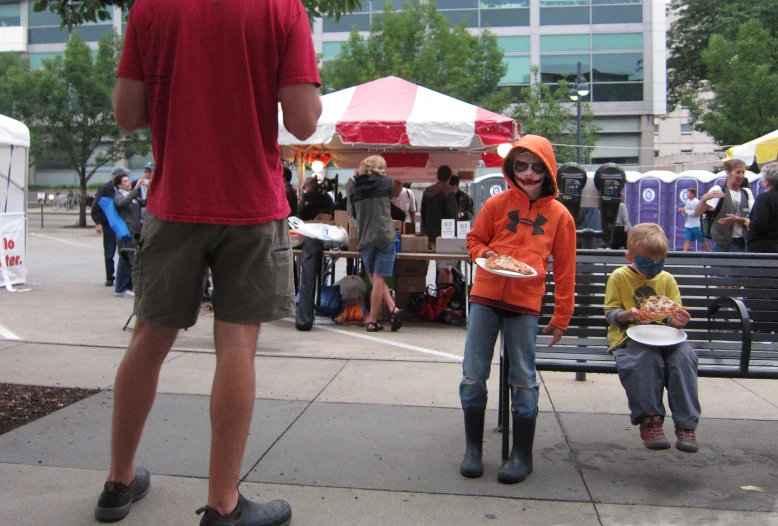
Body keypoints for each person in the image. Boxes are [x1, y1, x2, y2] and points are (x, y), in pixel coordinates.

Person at [96, 0, 321, 524]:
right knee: (237, 344)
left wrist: (186, 105)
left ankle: (118, 482)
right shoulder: (282, 9)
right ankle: (223, 505)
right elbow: (305, 122)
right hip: (250, 203)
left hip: (175, 201)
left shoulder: (150, 8)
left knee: (148, 338)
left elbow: (127, 114)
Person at [459, 135, 576, 484]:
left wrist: (561, 316)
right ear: (511, 167)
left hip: (526, 303)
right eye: (521, 165)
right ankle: (473, 449)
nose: (527, 173)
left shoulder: (560, 216)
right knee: (472, 373)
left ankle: (521, 455)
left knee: (524, 378)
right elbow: (474, 240)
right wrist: (486, 256)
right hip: (485, 297)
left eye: (536, 167)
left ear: (548, 170)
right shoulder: (496, 204)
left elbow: (567, 269)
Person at [604, 223, 701, 453]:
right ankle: (650, 419)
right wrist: (627, 315)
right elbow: (611, 313)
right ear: (630, 257)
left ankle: (686, 425)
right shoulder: (619, 277)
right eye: (647, 264)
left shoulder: (666, 280)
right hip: (629, 336)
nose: (653, 271)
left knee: (684, 357)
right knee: (644, 359)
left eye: (659, 264)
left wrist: (676, 321)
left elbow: (671, 315)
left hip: (666, 338)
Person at [348, 155, 405, 332]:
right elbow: (389, 201)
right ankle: (373, 321)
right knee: (378, 278)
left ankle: (391, 308)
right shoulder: (387, 182)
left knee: (374, 277)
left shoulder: (353, 186)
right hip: (385, 235)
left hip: (365, 236)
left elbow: (353, 213)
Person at [694, 159, 753, 252]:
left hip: (743, 243)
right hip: (721, 245)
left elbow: (753, 219)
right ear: (728, 172)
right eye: (738, 172)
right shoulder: (718, 190)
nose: (741, 175)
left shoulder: (746, 193)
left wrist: (738, 220)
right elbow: (697, 213)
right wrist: (703, 199)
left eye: (743, 172)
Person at [420, 165, 457, 284]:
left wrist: (425, 230)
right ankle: (444, 295)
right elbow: (452, 216)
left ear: (437, 176)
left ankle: (440, 293)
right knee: (445, 267)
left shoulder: (427, 192)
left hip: (430, 234)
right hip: (445, 235)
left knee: (439, 264)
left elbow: (423, 213)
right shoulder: (448, 194)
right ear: (449, 177)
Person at [113, 172, 146, 298]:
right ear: (119, 185)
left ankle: (128, 285)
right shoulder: (118, 195)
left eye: (128, 181)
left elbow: (141, 203)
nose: (128, 183)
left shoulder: (130, 195)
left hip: (135, 231)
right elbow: (122, 203)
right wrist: (136, 189)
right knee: (125, 257)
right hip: (125, 231)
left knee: (132, 257)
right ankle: (121, 287)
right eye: (125, 181)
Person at [91, 168, 122, 287]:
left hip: (120, 223)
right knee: (110, 251)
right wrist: (98, 222)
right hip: (108, 223)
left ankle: (122, 276)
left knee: (123, 251)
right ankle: (110, 277)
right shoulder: (105, 188)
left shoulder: (123, 188)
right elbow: (96, 206)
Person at [746, 162, 778, 253]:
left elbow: (759, 223)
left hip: (764, 250)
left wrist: (748, 223)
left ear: (766, 182)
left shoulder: (764, 198)